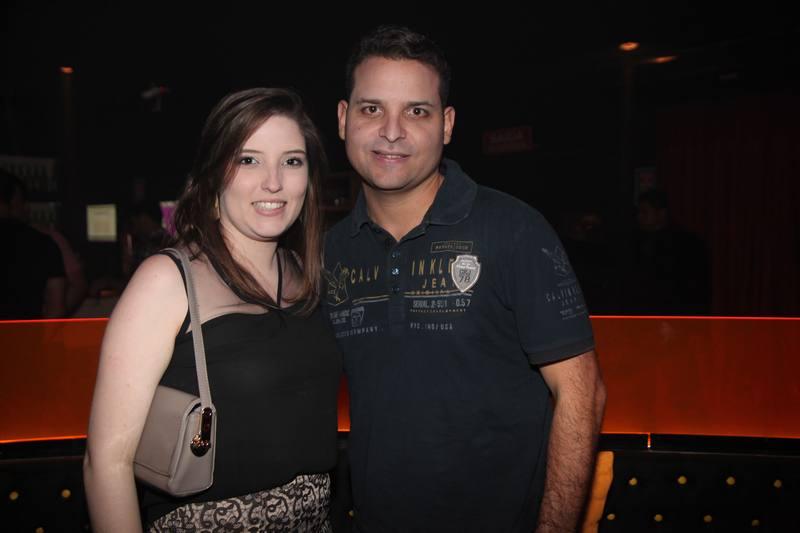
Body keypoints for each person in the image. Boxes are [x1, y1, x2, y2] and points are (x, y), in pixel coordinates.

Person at [323, 26, 606, 532]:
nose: (392, 131)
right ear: (344, 119)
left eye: (417, 111)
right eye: (371, 109)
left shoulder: (514, 230)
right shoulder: (330, 252)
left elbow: (582, 393)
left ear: (447, 124)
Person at [84, 88, 342, 532]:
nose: (274, 182)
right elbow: (106, 463)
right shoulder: (167, 281)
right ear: (214, 172)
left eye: (292, 161)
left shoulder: (306, 274)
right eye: (249, 160)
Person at [0, 169, 66, 319]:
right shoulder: (43, 243)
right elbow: (56, 309)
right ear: (14, 201)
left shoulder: (43, 242)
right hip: (26, 332)